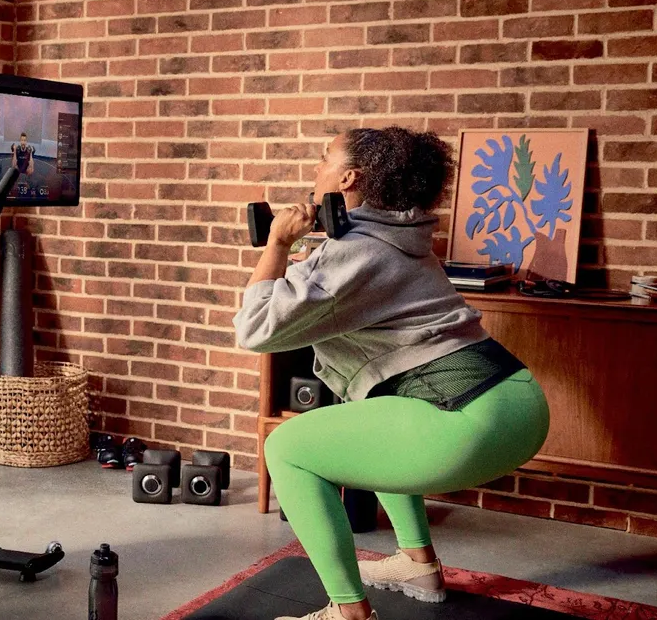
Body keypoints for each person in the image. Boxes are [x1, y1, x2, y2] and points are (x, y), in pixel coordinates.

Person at [233, 127, 550, 620]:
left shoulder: (355, 251)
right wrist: (311, 266)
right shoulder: (404, 239)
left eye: (323, 158)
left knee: (284, 449)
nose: (315, 170)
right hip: (517, 404)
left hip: (471, 423)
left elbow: (255, 329)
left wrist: (274, 247)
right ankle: (417, 565)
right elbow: (355, 286)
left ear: (348, 177)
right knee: (375, 416)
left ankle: (348, 613)